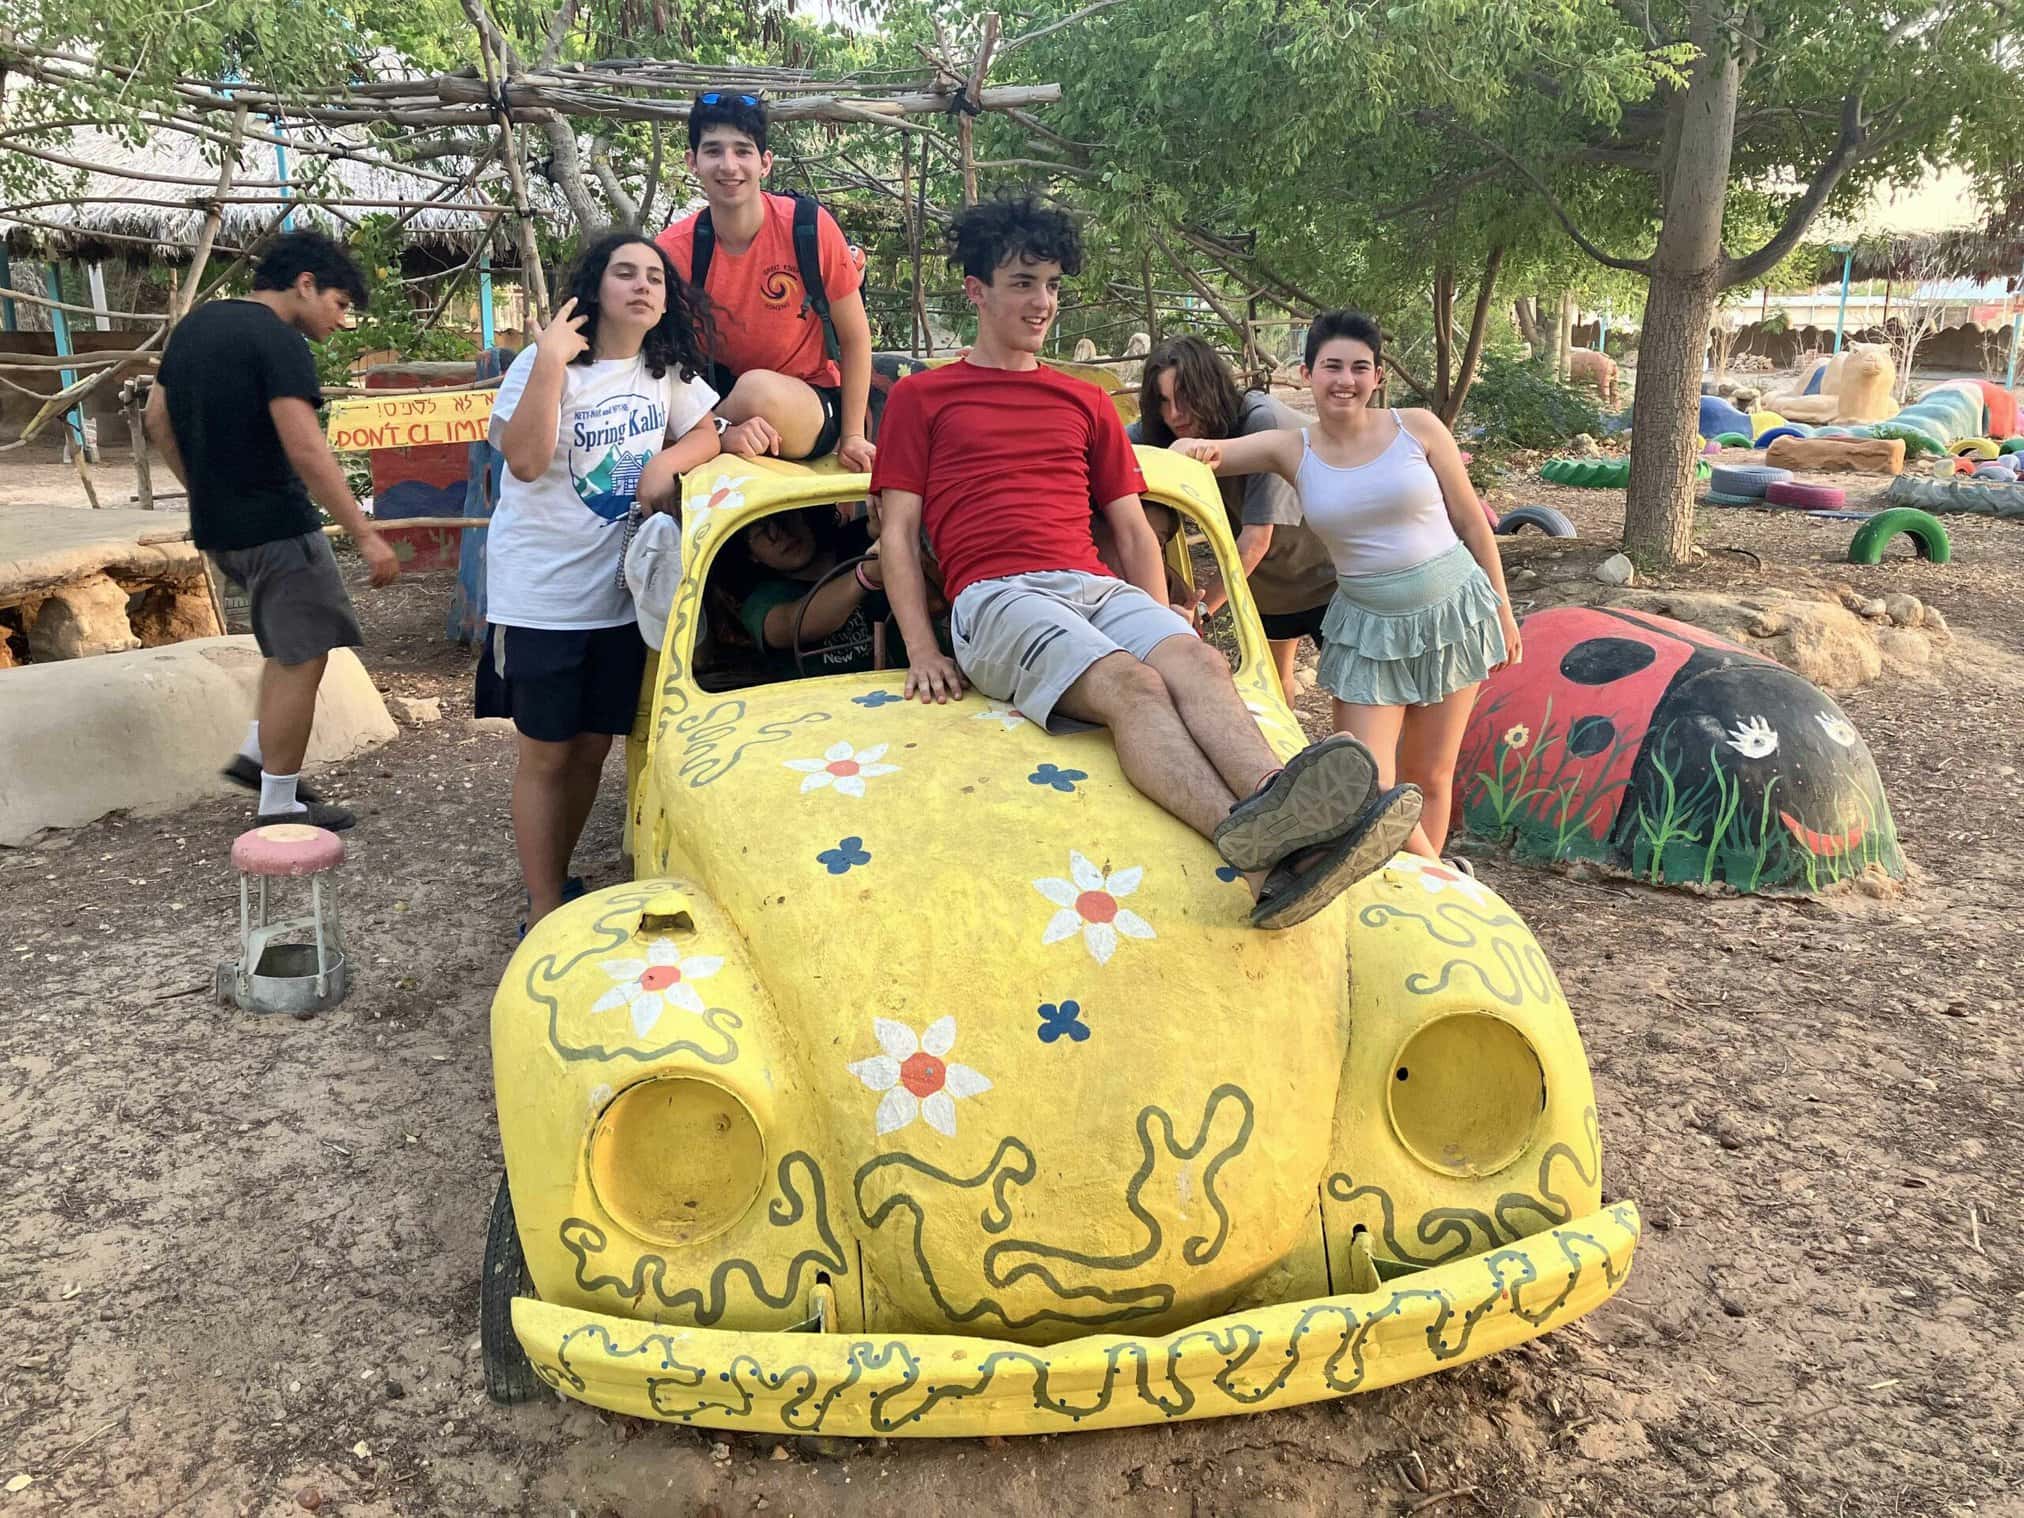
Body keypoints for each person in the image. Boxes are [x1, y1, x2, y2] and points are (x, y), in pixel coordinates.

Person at [871, 198, 1421, 930]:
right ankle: (1261, 862)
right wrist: (921, 648)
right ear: (976, 290)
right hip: (995, 595)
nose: (1043, 303)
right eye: (1024, 283)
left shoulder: (1084, 400)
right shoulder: (922, 396)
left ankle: (1285, 805)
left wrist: (1167, 617)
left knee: (1200, 665)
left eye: (1053, 285)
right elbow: (899, 533)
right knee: (1134, 686)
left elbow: (1133, 532)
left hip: (1091, 585)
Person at [1172, 311, 1523, 861]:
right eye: (1332, 366)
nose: (1346, 379)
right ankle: (1435, 877)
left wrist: (1500, 607)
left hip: (1452, 609)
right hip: (1365, 627)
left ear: (1377, 376)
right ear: (1307, 373)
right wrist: (1181, 451)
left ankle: (1428, 893)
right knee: (1367, 782)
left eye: (1360, 367)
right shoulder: (1291, 448)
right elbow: (1208, 453)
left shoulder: (1419, 428)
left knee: (1429, 774)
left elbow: (1472, 522)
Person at [479, 231, 722, 929]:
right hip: (544, 595)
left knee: (592, 747)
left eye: (655, 276)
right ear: (596, 287)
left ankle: (557, 875)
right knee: (547, 754)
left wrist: (665, 465)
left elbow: (715, 427)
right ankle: (544, 905)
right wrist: (552, 363)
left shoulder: (662, 370)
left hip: (618, 596)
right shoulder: (541, 363)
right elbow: (523, 462)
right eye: (625, 273)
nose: (643, 285)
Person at [145, 229, 400, 833]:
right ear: (305, 283)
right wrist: (364, 533)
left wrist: (205, 492)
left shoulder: (195, 328)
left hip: (221, 528)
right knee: (304, 655)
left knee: (287, 650)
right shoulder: (278, 341)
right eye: (340, 305)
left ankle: (260, 760)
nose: (341, 322)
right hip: (278, 525)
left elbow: (157, 417)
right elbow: (306, 448)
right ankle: (279, 801)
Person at [655, 92, 877, 472]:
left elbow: (856, 337)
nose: (729, 165)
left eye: (743, 151)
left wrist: (854, 435)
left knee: (758, 391)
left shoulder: (808, 228)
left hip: (805, 401)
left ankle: (699, 442)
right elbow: (658, 355)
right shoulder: (672, 251)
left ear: (765, 163)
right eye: (713, 151)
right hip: (712, 399)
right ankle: (713, 437)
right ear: (692, 162)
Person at [1128, 336, 1337, 701]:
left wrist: (1202, 609)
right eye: (1163, 401)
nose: (1175, 414)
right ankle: (1295, 758)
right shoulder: (1161, 434)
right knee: (1273, 686)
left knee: (1356, 697)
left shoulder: (1262, 420)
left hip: (1328, 579)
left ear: (1210, 388)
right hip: (1266, 587)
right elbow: (1110, 448)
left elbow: (1256, 540)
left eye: (1186, 397)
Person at [721, 508, 886, 679]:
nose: (781, 533)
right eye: (762, 531)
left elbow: (887, 526)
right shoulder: (760, 601)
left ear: (804, 515)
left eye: (785, 516)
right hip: (826, 702)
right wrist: (866, 575)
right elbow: (791, 623)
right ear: (750, 554)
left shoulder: (856, 539)